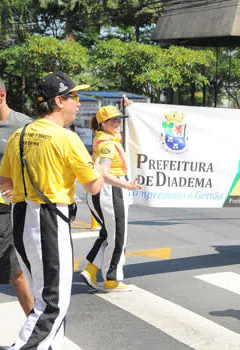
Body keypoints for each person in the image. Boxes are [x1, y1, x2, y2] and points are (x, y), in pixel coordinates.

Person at [0, 72, 105, 349]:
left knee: (43, 293)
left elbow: (6, 181)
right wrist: (102, 168)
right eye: (74, 97)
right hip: (48, 220)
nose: (79, 103)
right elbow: (94, 186)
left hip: (20, 217)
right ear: (59, 101)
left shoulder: (20, 134)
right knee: (53, 303)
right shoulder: (65, 139)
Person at [80, 105, 141, 292]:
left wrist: (127, 105)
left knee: (109, 233)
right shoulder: (107, 143)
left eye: (118, 119)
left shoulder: (106, 138)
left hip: (104, 192)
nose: (117, 123)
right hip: (111, 191)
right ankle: (112, 280)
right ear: (102, 123)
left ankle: (91, 270)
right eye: (112, 120)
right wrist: (126, 185)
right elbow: (103, 172)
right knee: (118, 236)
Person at [0, 77, 34, 317]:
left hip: (7, 210)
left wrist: (18, 186)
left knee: (15, 271)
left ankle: (39, 330)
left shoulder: (22, 126)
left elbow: (35, 166)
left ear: (1, 95)